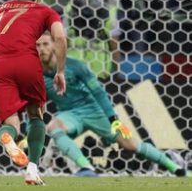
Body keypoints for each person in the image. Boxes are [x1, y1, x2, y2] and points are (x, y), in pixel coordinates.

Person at [35, 32, 186, 177]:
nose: (41, 48)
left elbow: (99, 93)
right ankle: (86, 167)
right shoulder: (34, 73)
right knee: (54, 127)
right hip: (70, 114)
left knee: (130, 144)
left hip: (94, 110)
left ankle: (175, 167)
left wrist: (113, 119)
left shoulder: (75, 66)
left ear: (55, 45)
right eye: (38, 45)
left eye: (46, 44)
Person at [0, 0, 67, 185]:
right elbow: (60, 37)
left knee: (11, 123)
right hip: (27, 63)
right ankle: (32, 171)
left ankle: (8, 138)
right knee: (35, 115)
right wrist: (60, 71)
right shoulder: (45, 10)